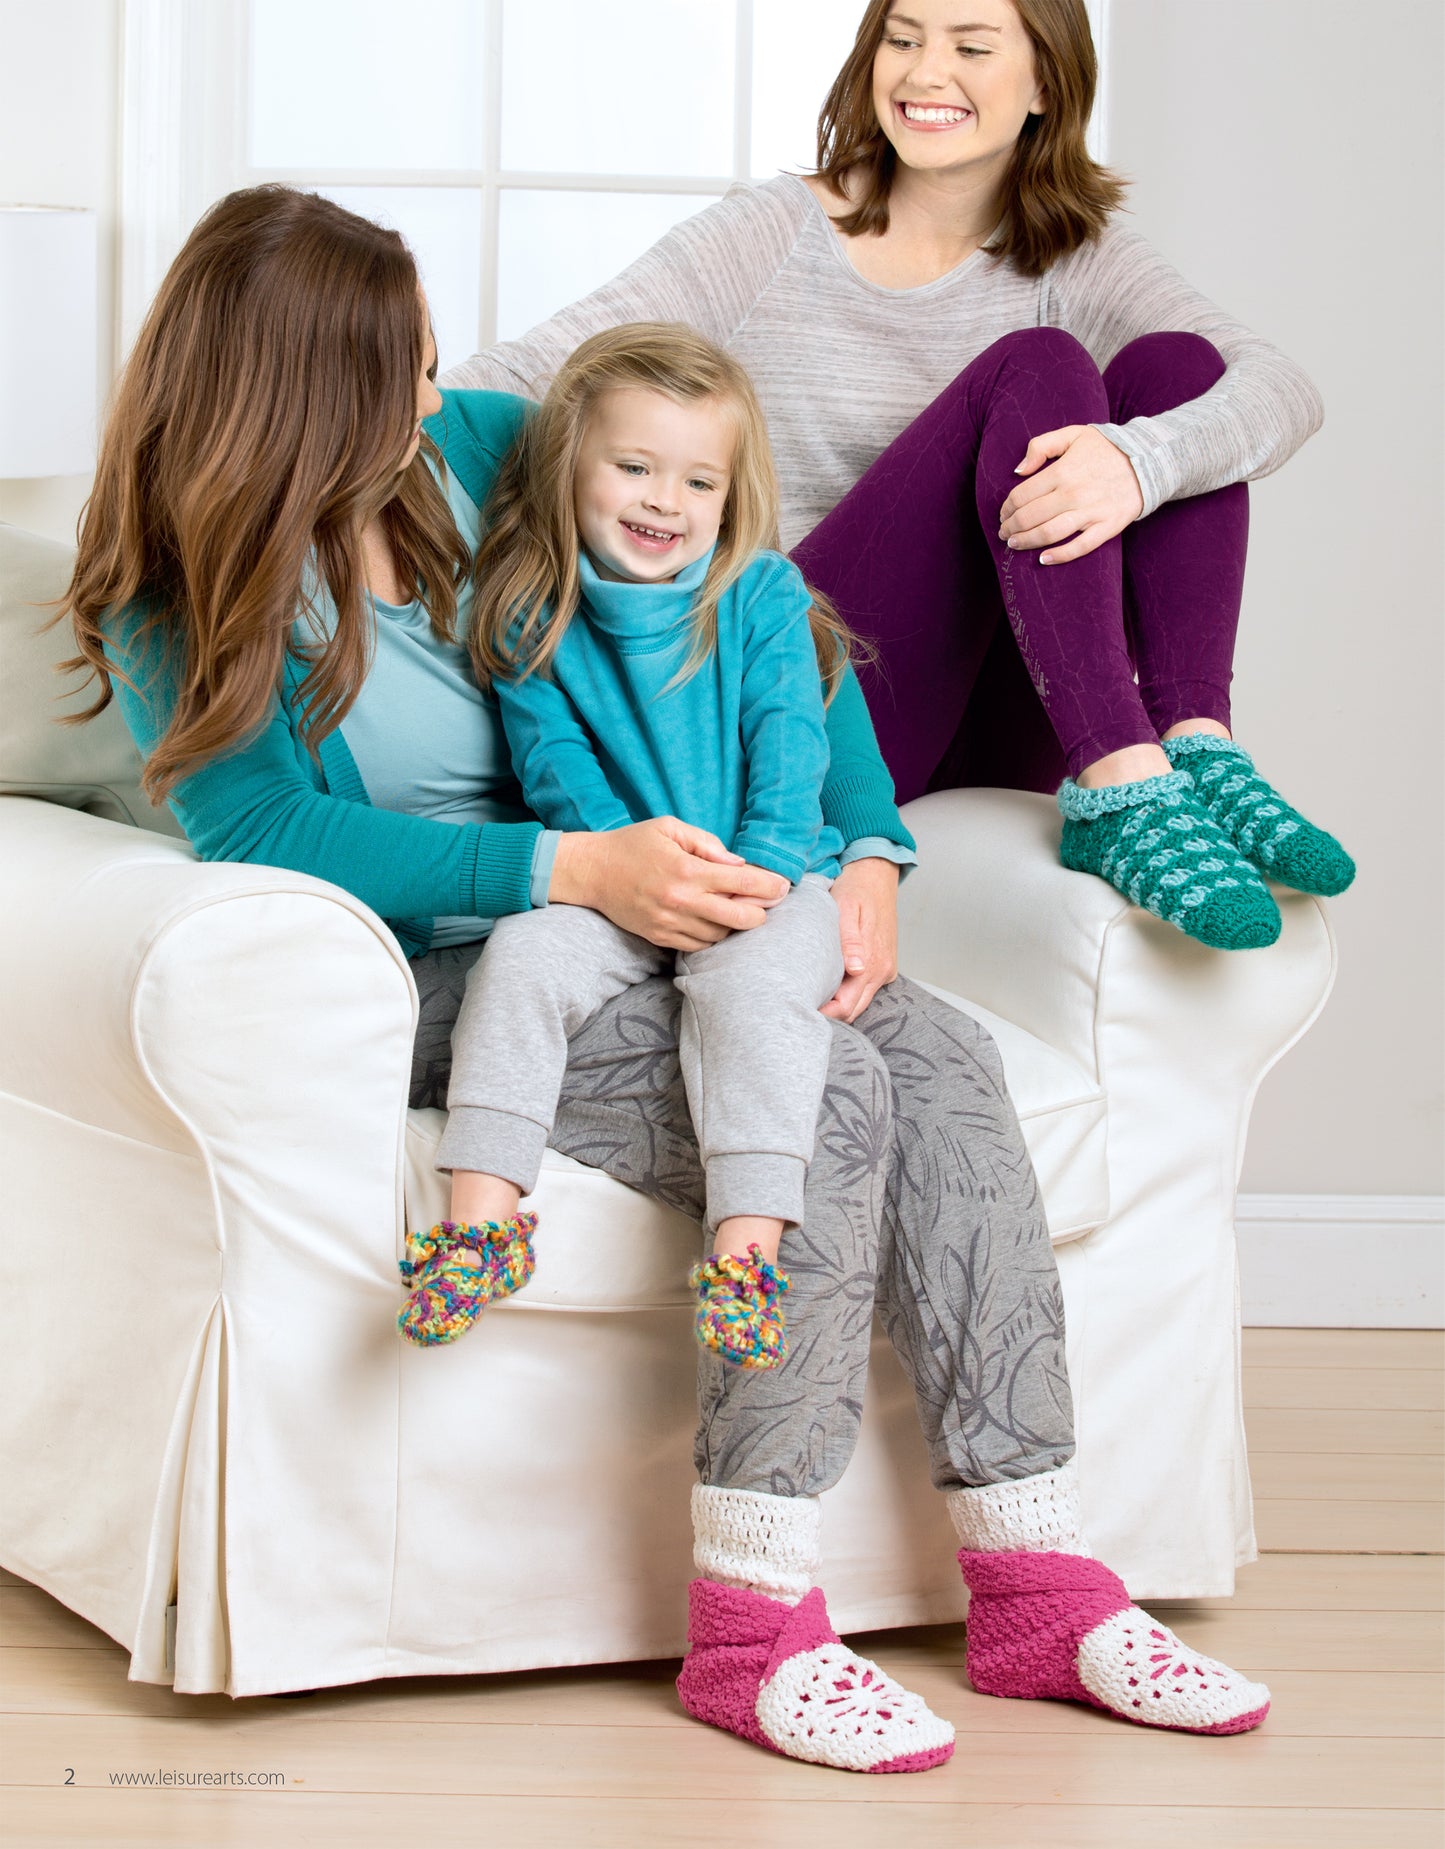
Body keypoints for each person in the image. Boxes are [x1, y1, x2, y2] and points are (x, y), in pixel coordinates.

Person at [63, 185, 1271, 1775]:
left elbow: (755, 594)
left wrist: (861, 853)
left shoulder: (483, 453)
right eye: (401, 376)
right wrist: (567, 871)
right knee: (825, 1093)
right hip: (472, 968)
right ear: (303, 397)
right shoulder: (178, 592)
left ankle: (1034, 1561)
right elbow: (264, 824)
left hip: (683, 902)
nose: (439, 399)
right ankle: (754, 1619)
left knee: (940, 1057)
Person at [447, 0, 1355, 957]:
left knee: (1175, 373)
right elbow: (540, 370)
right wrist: (366, 406)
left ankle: (1193, 743)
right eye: (903, 37)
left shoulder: (1082, 260)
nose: (925, 75)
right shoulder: (777, 230)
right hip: (809, 702)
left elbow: (1280, 390)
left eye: (969, 46)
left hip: (1011, 705)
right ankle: (1125, 776)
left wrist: (1137, 464)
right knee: (1040, 366)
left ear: (1045, 79)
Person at [399, 322, 855, 1369]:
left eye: (699, 481)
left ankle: (745, 1249)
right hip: (613, 887)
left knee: (747, 999)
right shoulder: (528, 607)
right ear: (571, 467)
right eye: (635, 468)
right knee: (517, 959)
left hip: (766, 883)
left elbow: (790, 745)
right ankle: (479, 1220)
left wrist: (760, 873)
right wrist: (630, 874)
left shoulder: (760, 595)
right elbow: (557, 772)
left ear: (731, 496)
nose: (665, 502)